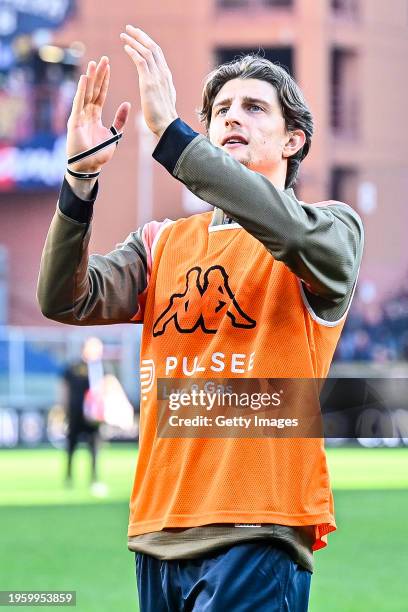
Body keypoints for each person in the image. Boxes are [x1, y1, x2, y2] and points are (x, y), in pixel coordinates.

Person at [37, 26, 364, 611]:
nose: (231, 117)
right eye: (219, 111)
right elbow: (65, 298)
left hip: (259, 529)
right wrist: (80, 181)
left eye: (253, 107)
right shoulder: (162, 243)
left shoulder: (331, 227)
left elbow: (284, 225)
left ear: (294, 140)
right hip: (158, 530)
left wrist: (173, 139)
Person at [61, 336, 107, 496]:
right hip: (75, 413)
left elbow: (109, 388)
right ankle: (68, 476)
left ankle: (94, 478)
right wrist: (63, 408)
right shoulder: (73, 367)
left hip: (94, 417)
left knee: (94, 448)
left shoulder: (103, 368)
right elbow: (64, 388)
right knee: (71, 446)